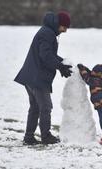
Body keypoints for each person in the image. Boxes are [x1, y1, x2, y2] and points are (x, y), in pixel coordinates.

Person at [14, 11, 73, 145]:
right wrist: (60, 66)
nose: (65, 30)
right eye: (65, 27)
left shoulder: (47, 31)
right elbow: (45, 56)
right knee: (46, 107)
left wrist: (63, 63)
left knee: (35, 107)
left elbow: (49, 54)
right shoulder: (48, 34)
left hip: (31, 76)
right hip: (37, 78)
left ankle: (29, 137)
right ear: (59, 24)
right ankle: (46, 136)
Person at [77, 64, 102, 145]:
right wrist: (84, 68)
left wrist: (83, 71)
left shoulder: (96, 81)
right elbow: (90, 73)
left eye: (95, 71)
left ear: (100, 74)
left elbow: (87, 79)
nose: (92, 72)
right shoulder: (100, 79)